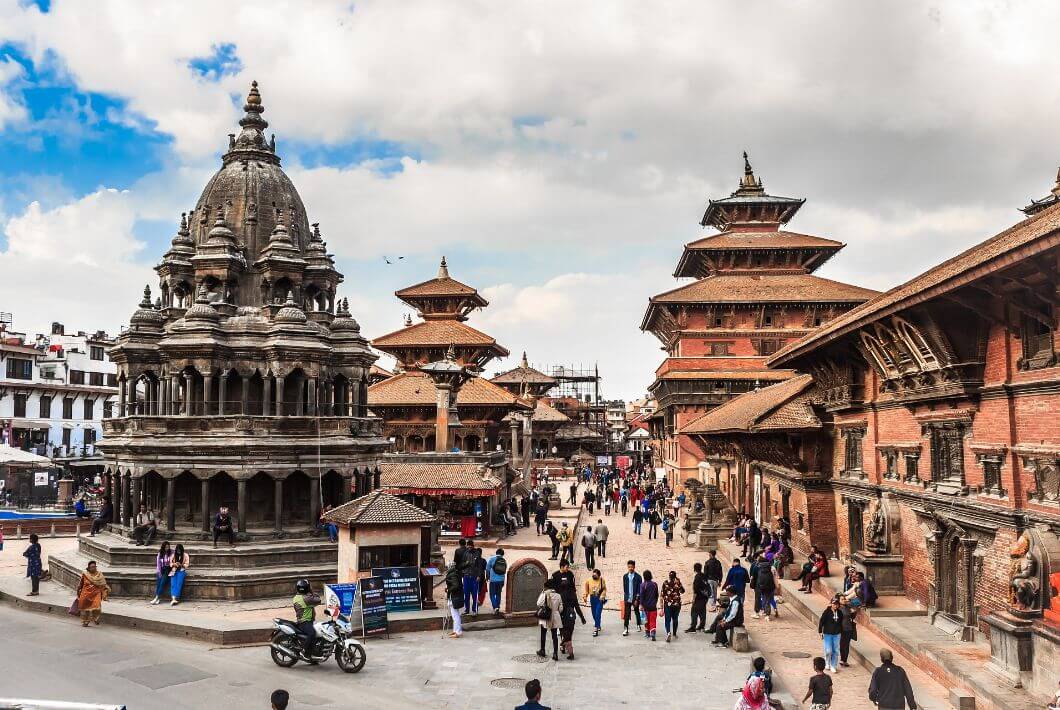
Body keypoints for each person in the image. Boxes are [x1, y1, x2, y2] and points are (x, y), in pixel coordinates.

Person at [76, 560, 110, 627]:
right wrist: (78, 590)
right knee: (85, 609)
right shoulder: (85, 574)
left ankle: (95, 618)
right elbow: (81, 584)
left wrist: (105, 590)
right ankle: (85, 621)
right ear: (89, 568)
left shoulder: (99, 574)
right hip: (86, 593)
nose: (94, 568)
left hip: (96, 593)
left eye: (95, 567)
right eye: (92, 567)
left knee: (96, 607)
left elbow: (103, 584)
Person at [292, 578, 321, 652]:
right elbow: (318, 600)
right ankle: (304, 650)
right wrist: (311, 592)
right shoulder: (307, 599)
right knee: (312, 633)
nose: (310, 588)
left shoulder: (296, 597)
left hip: (302, 621)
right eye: (309, 587)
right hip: (305, 622)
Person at [536, 579, 562, 660]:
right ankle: (555, 654)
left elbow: (538, 603)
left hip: (546, 616)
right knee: (554, 635)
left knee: (543, 633)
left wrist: (542, 592)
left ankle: (542, 650)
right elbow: (561, 608)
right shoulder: (558, 595)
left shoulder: (545, 594)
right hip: (555, 616)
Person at [557, 575, 581, 660]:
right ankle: (563, 645)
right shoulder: (573, 595)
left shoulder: (559, 595)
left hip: (562, 617)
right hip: (571, 617)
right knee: (569, 634)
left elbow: (558, 608)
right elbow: (577, 607)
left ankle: (570, 653)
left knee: (564, 634)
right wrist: (582, 617)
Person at [818, 596, 844, 673]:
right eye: (834, 604)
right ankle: (827, 662)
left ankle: (833, 665)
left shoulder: (840, 612)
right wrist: (820, 631)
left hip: (837, 634)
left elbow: (840, 622)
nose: (835, 606)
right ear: (831, 604)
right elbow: (821, 621)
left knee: (835, 650)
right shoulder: (826, 612)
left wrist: (840, 630)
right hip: (827, 633)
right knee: (828, 650)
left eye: (837, 604)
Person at [661, 570, 685, 642]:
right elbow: (682, 591)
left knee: (667, 620)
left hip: (668, 604)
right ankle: (674, 633)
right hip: (676, 604)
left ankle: (668, 632)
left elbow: (662, 594)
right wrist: (679, 583)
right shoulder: (677, 583)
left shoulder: (665, 583)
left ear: (669, 576)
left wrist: (661, 605)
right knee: (675, 619)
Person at [583, 568, 607, 637]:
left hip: (599, 599)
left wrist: (602, 595)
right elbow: (586, 590)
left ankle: (596, 629)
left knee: (597, 613)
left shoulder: (602, 580)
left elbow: (604, 589)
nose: (594, 577)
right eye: (593, 575)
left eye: (595, 576)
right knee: (594, 613)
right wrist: (585, 596)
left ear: (599, 576)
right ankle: (598, 624)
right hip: (592, 598)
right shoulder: (588, 581)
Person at [621, 559, 642, 636]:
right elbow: (625, 588)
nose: (630, 568)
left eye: (632, 567)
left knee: (636, 611)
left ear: (634, 567)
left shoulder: (638, 577)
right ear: (627, 567)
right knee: (626, 613)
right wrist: (626, 596)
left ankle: (639, 624)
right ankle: (626, 628)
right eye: (629, 567)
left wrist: (637, 599)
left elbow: (639, 589)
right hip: (627, 598)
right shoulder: (625, 576)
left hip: (635, 598)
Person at [445, 561, 465, 638]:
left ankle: (457, 632)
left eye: (447, 567)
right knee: (455, 614)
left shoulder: (452, 575)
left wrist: (448, 589)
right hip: (455, 596)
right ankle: (455, 630)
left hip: (454, 596)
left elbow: (455, 586)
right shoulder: (455, 573)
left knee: (455, 615)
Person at [687, 562, 709, 632]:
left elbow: (696, 589)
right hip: (705, 597)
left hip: (699, 597)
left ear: (695, 569)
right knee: (702, 611)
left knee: (694, 611)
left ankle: (693, 627)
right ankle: (702, 625)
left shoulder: (697, 577)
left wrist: (693, 599)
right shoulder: (704, 575)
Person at [486, 548, 508, 615]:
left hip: (493, 580)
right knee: (498, 594)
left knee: (492, 594)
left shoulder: (492, 559)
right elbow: (504, 571)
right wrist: (503, 582)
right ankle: (498, 607)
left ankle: (495, 607)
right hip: (501, 580)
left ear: (496, 553)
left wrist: (487, 577)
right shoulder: (504, 560)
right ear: (502, 554)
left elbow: (487, 569)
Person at [149, 541, 172, 605]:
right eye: (166, 547)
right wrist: (159, 572)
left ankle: (156, 598)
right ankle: (158, 599)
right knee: (158, 584)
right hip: (161, 569)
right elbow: (158, 564)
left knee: (162, 583)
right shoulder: (160, 554)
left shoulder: (171, 553)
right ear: (163, 547)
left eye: (168, 547)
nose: (167, 548)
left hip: (167, 570)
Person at [465, 539, 484, 614]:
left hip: (474, 576)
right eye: (468, 547)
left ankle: (474, 610)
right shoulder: (465, 553)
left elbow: (480, 566)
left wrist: (479, 575)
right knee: (466, 594)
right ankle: (467, 609)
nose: (469, 548)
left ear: (473, 546)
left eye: (470, 547)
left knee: (474, 594)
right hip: (466, 576)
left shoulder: (477, 554)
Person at [640, 569, 659, 641]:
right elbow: (656, 595)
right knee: (653, 620)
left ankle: (647, 633)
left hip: (646, 607)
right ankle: (653, 633)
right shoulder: (655, 584)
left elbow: (642, 596)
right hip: (653, 606)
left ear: (644, 577)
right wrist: (655, 602)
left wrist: (641, 605)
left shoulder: (643, 585)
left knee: (646, 620)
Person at [839, 596, 858, 667]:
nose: (844, 600)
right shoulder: (838, 608)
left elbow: (852, 617)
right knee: (842, 644)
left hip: (849, 628)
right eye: (842, 599)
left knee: (846, 644)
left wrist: (854, 612)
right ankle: (842, 659)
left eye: (844, 599)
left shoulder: (848, 607)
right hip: (841, 628)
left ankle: (844, 660)